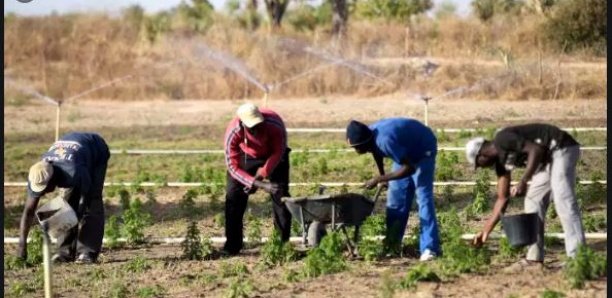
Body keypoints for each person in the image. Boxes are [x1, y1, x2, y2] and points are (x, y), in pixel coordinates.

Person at [466, 123, 585, 270]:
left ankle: (578, 258)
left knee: (564, 201)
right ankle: (534, 259)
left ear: (482, 155)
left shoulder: (502, 139)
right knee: (533, 200)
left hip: (561, 147)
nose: (482, 168)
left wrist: (523, 181)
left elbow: (535, 150)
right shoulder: (501, 164)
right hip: (547, 160)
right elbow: (502, 198)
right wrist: (485, 231)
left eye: (479, 164)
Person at [346, 118, 441, 261]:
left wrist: (380, 179)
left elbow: (409, 168)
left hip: (422, 148)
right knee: (396, 200)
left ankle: (430, 248)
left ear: (363, 143)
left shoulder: (384, 141)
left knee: (423, 198)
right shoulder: (369, 134)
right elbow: (375, 151)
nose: (355, 150)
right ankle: (392, 245)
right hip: (404, 152)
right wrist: (383, 176)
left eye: (356, 147)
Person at [18, 132, 111, 264]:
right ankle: (64, 253)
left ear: (52, 180)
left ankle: (87, 252)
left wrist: (65, 220)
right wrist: (22, 246)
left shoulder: (73, 171)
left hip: (95, 150)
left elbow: (84, 202)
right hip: (74, 154)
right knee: (66, 204)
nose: (43, 193)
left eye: (44, 188)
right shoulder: (37, 173)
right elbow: (28, 211)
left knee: (92, 203)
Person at [223, 103, 292, 255]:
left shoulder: (274, 125)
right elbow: (232, 166)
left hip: (273, 155)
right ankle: (232, 246)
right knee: (233, 196)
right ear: (242, 124)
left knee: (281, 195)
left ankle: (281, 244)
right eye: (251, 127)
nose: (256, 130)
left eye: (258, 125)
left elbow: (278, 152)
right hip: (246, 155)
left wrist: (260, 175)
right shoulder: (233, 132)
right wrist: (255, 182)